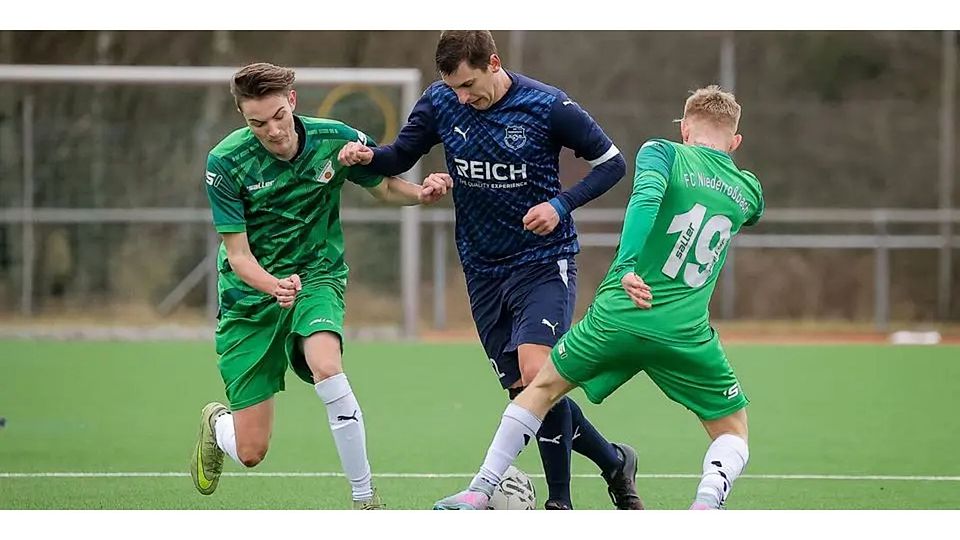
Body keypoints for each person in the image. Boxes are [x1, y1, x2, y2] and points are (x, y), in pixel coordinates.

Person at [339, 31, 641, 510]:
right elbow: (400, 155)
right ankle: (613, 462)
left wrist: (561, 205)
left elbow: (612, 163)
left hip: (544, 260)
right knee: (526, 393)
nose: (463, 97)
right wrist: (368, 156)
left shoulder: (547, 105)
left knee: (538, 372)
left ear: (493, 62)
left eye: (469, 84)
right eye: (454, 88)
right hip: (481, 266)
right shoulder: (441, 101)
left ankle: (559, 505)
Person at [432, 84, 764, 510]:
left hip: (619, 315)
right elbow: (751, 211)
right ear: (735, 142)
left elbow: (646, 201)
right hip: (685, 333)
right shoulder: (749, 188)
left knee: (541, 387)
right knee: (733, 430)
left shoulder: (663, 153)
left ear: (684, 130)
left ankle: (479, 491)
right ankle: (704, 505)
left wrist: (627, 266)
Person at [191, 62, 452, 510]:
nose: (272, 131)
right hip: (250, 298)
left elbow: (384, 186)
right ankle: (218, 425)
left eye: (278, 116)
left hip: (317, 276)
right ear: (242, 117)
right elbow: (238, 256)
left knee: (327, 366)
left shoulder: (334, 138)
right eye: (257, 123)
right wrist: (273, 286)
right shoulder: (225, 162)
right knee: (252, 452)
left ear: (292, 101)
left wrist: (421, 195)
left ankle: (365, 500)